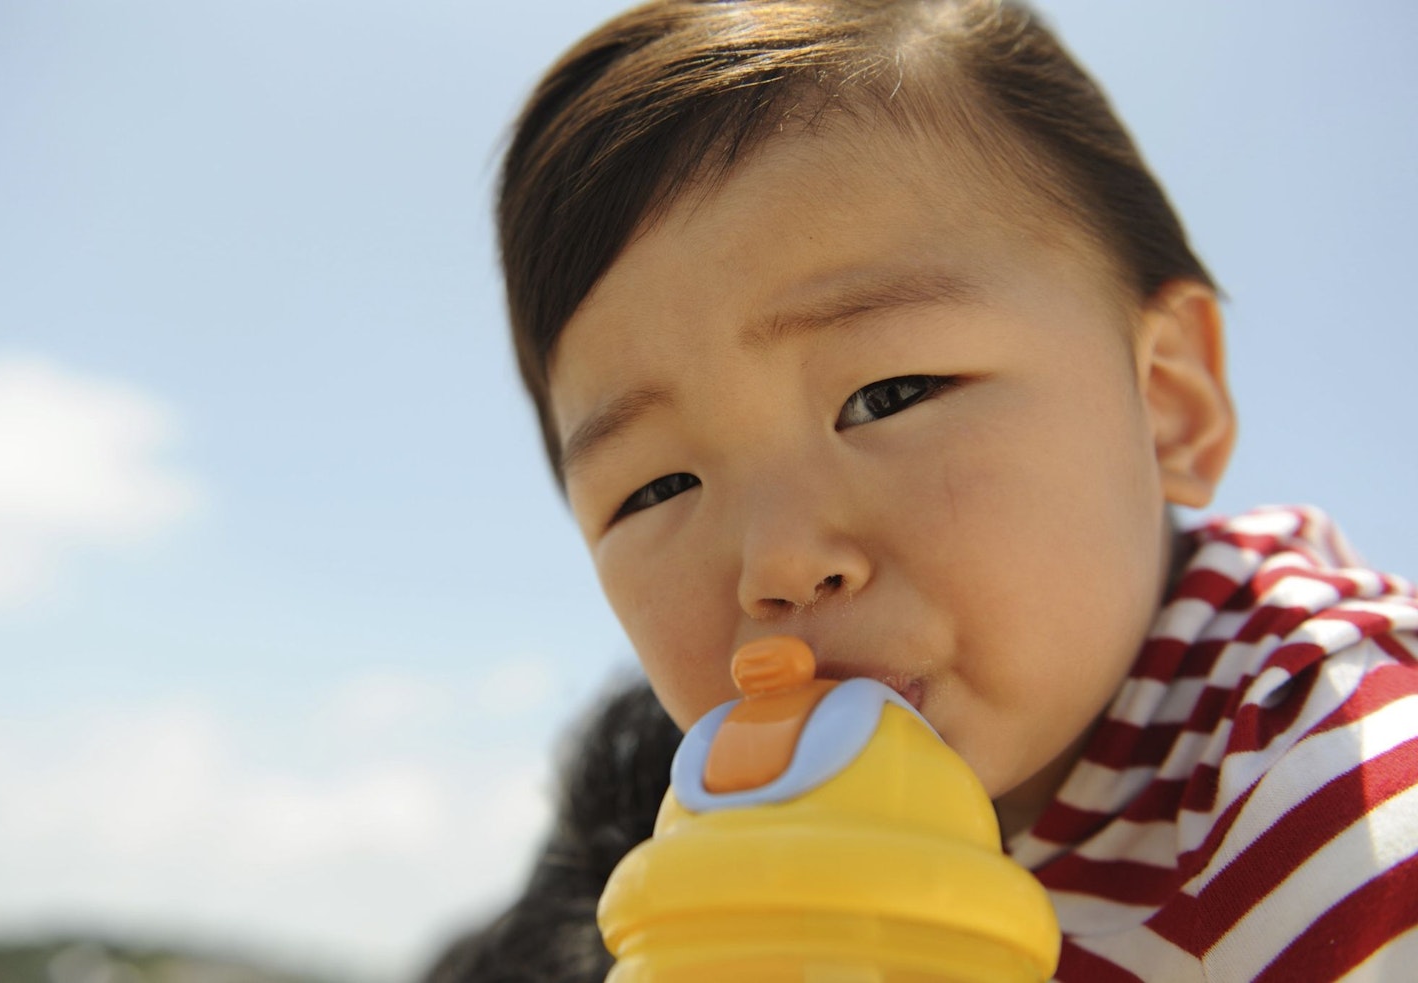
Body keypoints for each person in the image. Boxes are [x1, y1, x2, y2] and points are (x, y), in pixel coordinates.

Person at [426, 1, 1418, 979]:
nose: (778, 562)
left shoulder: (1327, 776)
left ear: (1166, 404)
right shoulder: (712, 853)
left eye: (886, 395)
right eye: (655, 487)